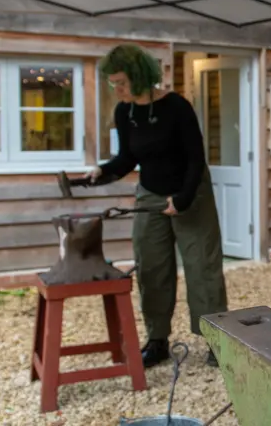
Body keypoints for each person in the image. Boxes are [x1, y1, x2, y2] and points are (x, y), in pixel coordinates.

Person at [91, 44, 227, 368]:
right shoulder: (126, 113)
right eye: (113, 84)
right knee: (151, 266)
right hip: (150, 195)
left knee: (202, 268)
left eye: (121, 82)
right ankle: (157, 340)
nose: (117, 89)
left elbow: (196, 159)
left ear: (139, 77)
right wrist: (103, 170)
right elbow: (128, 158)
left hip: (190, 192)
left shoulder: (176, 106)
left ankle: (217, 340)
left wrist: (181, 200)